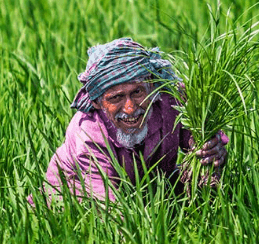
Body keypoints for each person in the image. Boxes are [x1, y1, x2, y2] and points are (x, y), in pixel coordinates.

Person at [29, 37, 227, 205]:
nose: (131, 108)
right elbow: (107, 205)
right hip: (77, 195)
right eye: (116, 98)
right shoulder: (89, 131)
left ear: (151, 86)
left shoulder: (171, 101)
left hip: (147, 189)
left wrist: (210, 149)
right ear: (98, 103)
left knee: (182, 185)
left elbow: (202, 140)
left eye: (137, 92)